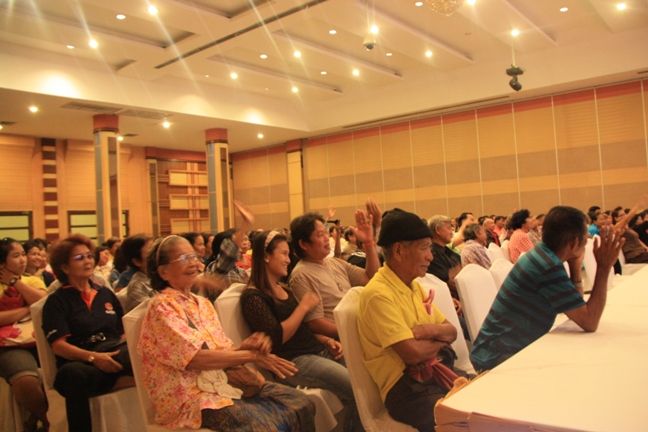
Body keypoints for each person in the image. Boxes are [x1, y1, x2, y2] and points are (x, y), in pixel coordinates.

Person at [138, 235, 316, 431]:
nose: (193, 263)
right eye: (183, 259)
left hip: (223, 383)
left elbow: (218, 353)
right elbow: (194, 359)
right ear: (163, 271)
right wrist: (250, 355)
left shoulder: (202, 303)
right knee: (264, 424)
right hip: (191, 398)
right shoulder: (162, 306)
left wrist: (244, 348)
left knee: (302, 403)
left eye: (193, 256)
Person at [470, 206, 624, 372]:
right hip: (497, 358)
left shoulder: (543, 255)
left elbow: (576, 310)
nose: (587, 240)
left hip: (499, 350)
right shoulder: (547, 266)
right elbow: (589, 321)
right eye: (585, 238)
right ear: (573, 243)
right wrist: (604, 268)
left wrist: (575, 266)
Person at [241, 230, 363, 431]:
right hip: (294, 361)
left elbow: (302, 329)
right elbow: (276, 339)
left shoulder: (283, 288)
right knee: (356, 389)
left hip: (317, 351)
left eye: (288, 254)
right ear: (266, 256)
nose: (288, 260)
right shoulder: (253, 297)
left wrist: (325, 340)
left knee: (364, 378)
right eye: (283, 254)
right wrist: (303, 307)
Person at [358, 209, 462, 431]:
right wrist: (440, 338)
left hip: (434, 373)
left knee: (486, 396)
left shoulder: (413, 285)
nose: (430, 257)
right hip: (407, 390)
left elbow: (452, 331)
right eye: (424, 248)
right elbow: (412, 354)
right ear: (399, 250)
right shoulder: (378, 294)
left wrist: (427, 331)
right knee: (463, 420)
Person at [42, 234, 134, 432]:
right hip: (82, 362)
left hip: (114, 352)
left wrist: (121, 351)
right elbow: (59, 346)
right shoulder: (56, 301)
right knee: (72, 375)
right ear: (64, 267)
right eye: (79, 258)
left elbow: (122, 333)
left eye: (89, 256)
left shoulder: (105, 293)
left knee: (141, 350)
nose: (87, 261)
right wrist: (93, 357)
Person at [289, 199, 381, 339]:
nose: (327, 238)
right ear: (303, 244)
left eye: (326, 233)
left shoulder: (335, 263)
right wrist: (356, 330)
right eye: (320, 235)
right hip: (341, 341)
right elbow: (316, 323)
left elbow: (371, 278)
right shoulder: (302, 274)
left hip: (359, 330)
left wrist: (368, 243)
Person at [0, 238, 49, 432]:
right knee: (25, 381)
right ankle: (49, 421)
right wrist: (27, 309)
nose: (23, 259)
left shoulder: (32, 280)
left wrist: (14, 282)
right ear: (2, 262)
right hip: (8, 345)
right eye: (16, 255)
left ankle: (32, 422)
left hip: (40, 340)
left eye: (23, 254)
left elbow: (43, 304)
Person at [121, 234, 154, 313]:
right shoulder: (137, 287)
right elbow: (155, 313)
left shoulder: (161, 277)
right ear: (137, 261)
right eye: (151, 252)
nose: (157, 255)